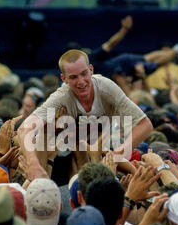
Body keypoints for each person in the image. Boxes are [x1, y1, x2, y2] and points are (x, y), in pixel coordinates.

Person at [18, 49, 153, 179]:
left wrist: (117, 154)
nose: (81, 82)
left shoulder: (106, 88)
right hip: (62, 149)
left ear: (91, 70)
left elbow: (145, 124)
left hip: (101, 147)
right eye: (73, 77)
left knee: (127, 169)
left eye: (84, 74)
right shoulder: (61, 97)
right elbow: (24, 128)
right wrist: (33, 163)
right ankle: (40, 181)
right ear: (64, 79)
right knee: (43, 131)